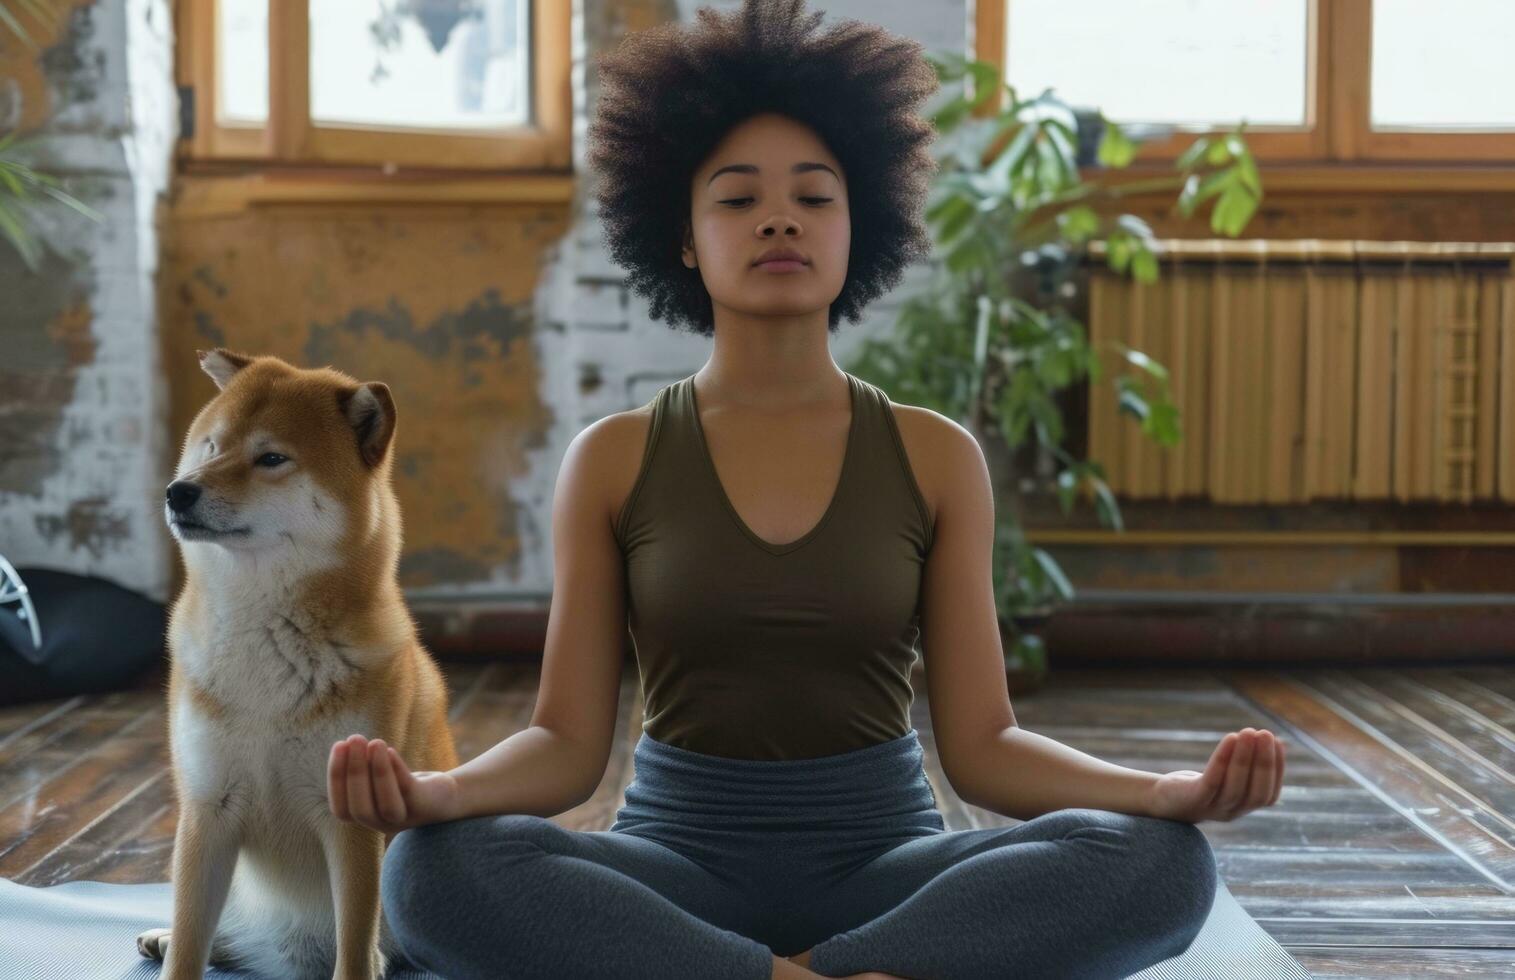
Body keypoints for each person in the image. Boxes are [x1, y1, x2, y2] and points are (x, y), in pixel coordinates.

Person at [328, 1, 1286, 977]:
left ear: (856, 228)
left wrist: (1160, 789)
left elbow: (987, 744)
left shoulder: (935, 455)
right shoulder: (614, 458)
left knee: (1160, 861)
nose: (780, 217)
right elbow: (565, 744)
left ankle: (764, 970)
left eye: (814, 197)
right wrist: (436, 797)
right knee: (432, 872)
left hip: (891, 869)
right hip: (673, 864)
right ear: (686, 240)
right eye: (738, 199)